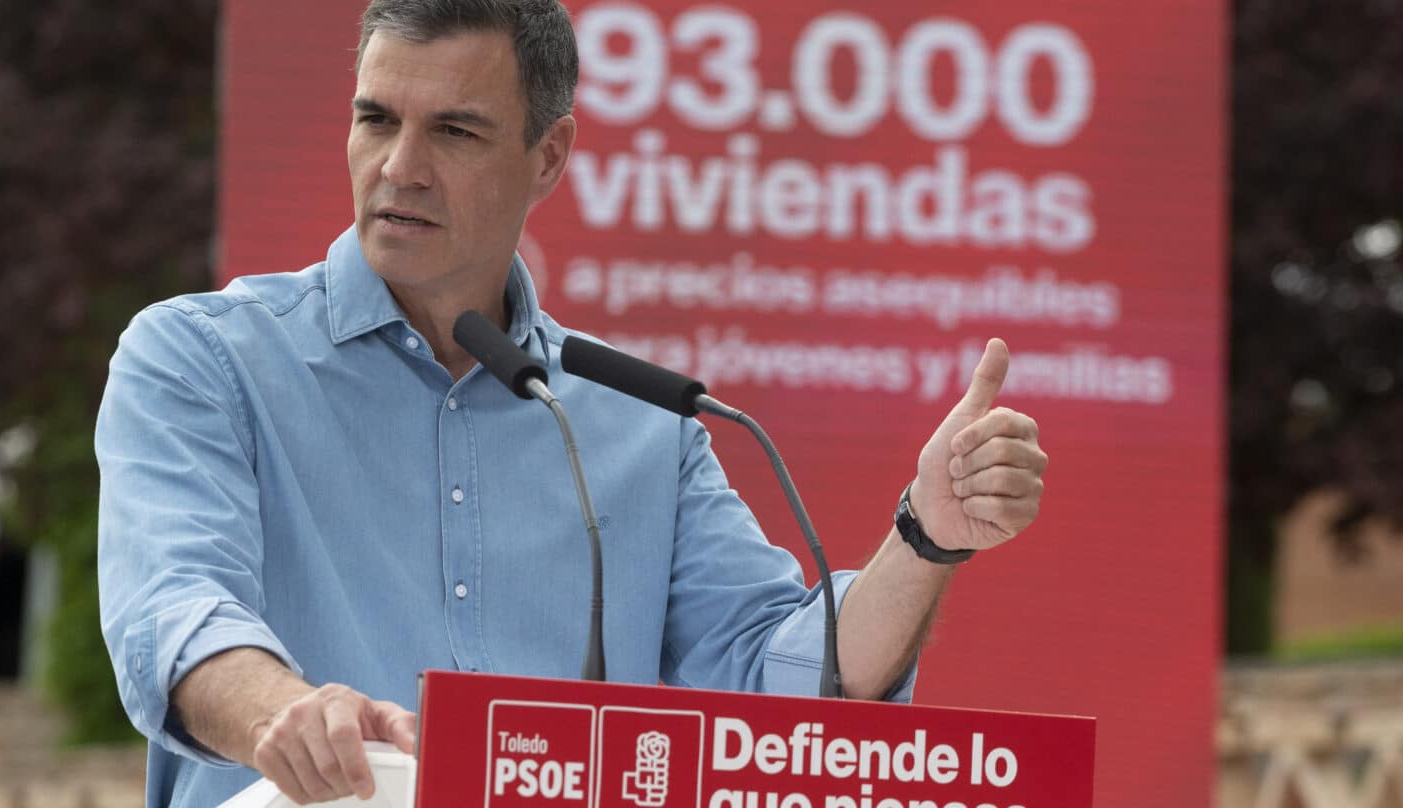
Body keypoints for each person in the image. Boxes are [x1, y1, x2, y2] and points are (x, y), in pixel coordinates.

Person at [96, 1, 1048, 806]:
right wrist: (279, 715)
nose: (399, 167)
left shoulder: (638, 421)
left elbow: (780, 687)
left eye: (454, 131)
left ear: (548, 158)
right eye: (377, 119)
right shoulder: (200, 359)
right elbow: (174, 609)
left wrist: (926, 535)